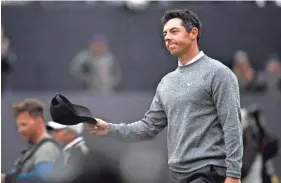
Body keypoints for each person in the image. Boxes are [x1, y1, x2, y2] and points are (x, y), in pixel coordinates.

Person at [87, 9, 243, 183]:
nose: (167, 37)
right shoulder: (166, 83)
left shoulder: (219, 73)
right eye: (165, 33)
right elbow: (147, 128)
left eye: (174, 31)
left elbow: (232, 126)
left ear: (193, 33)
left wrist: (234, 174)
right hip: (177, 174)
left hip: (209, 171)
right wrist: (109, 128)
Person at [1, 99, 61, 183]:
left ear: (39, 121)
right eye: (19, 126)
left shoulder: (47, 148)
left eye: (24, 124)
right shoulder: (31, 148)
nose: (20, 130)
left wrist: (7, 179)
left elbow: (42, 177)